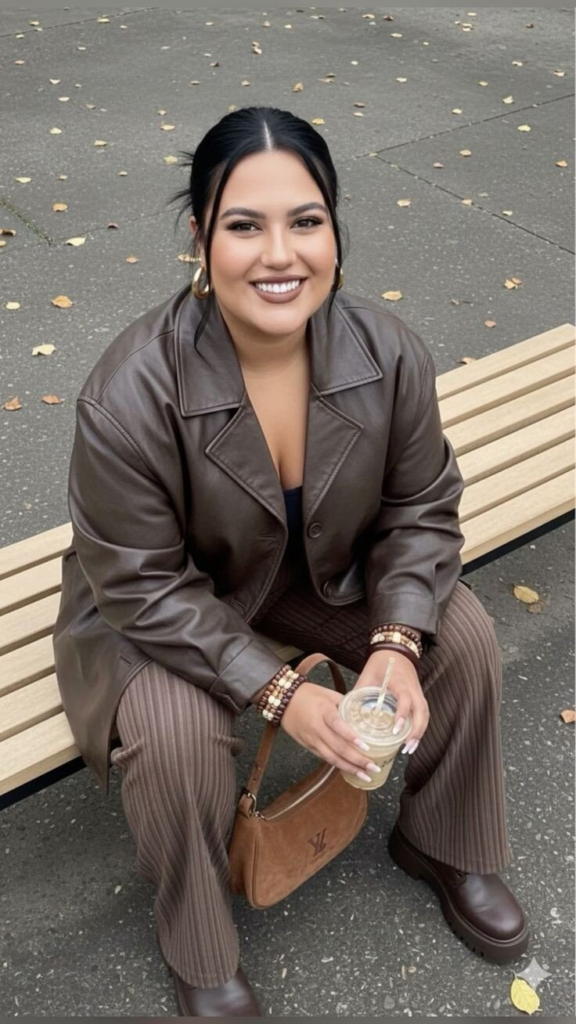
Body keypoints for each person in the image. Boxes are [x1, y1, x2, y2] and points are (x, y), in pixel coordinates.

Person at [53, 105, 529, 1018]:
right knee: (180, 738)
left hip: (316, 575)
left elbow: (421, 508)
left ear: (335, 232)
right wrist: (282, 693)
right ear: (199, 238)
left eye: (306, 221)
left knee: (455, 634)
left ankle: (443, 841)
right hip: (160, 609)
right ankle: (198, 947)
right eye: (244, 225)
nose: (280, 254)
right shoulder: (128, 392)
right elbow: (140, 585)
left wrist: (392, 641)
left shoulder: (386, 352)